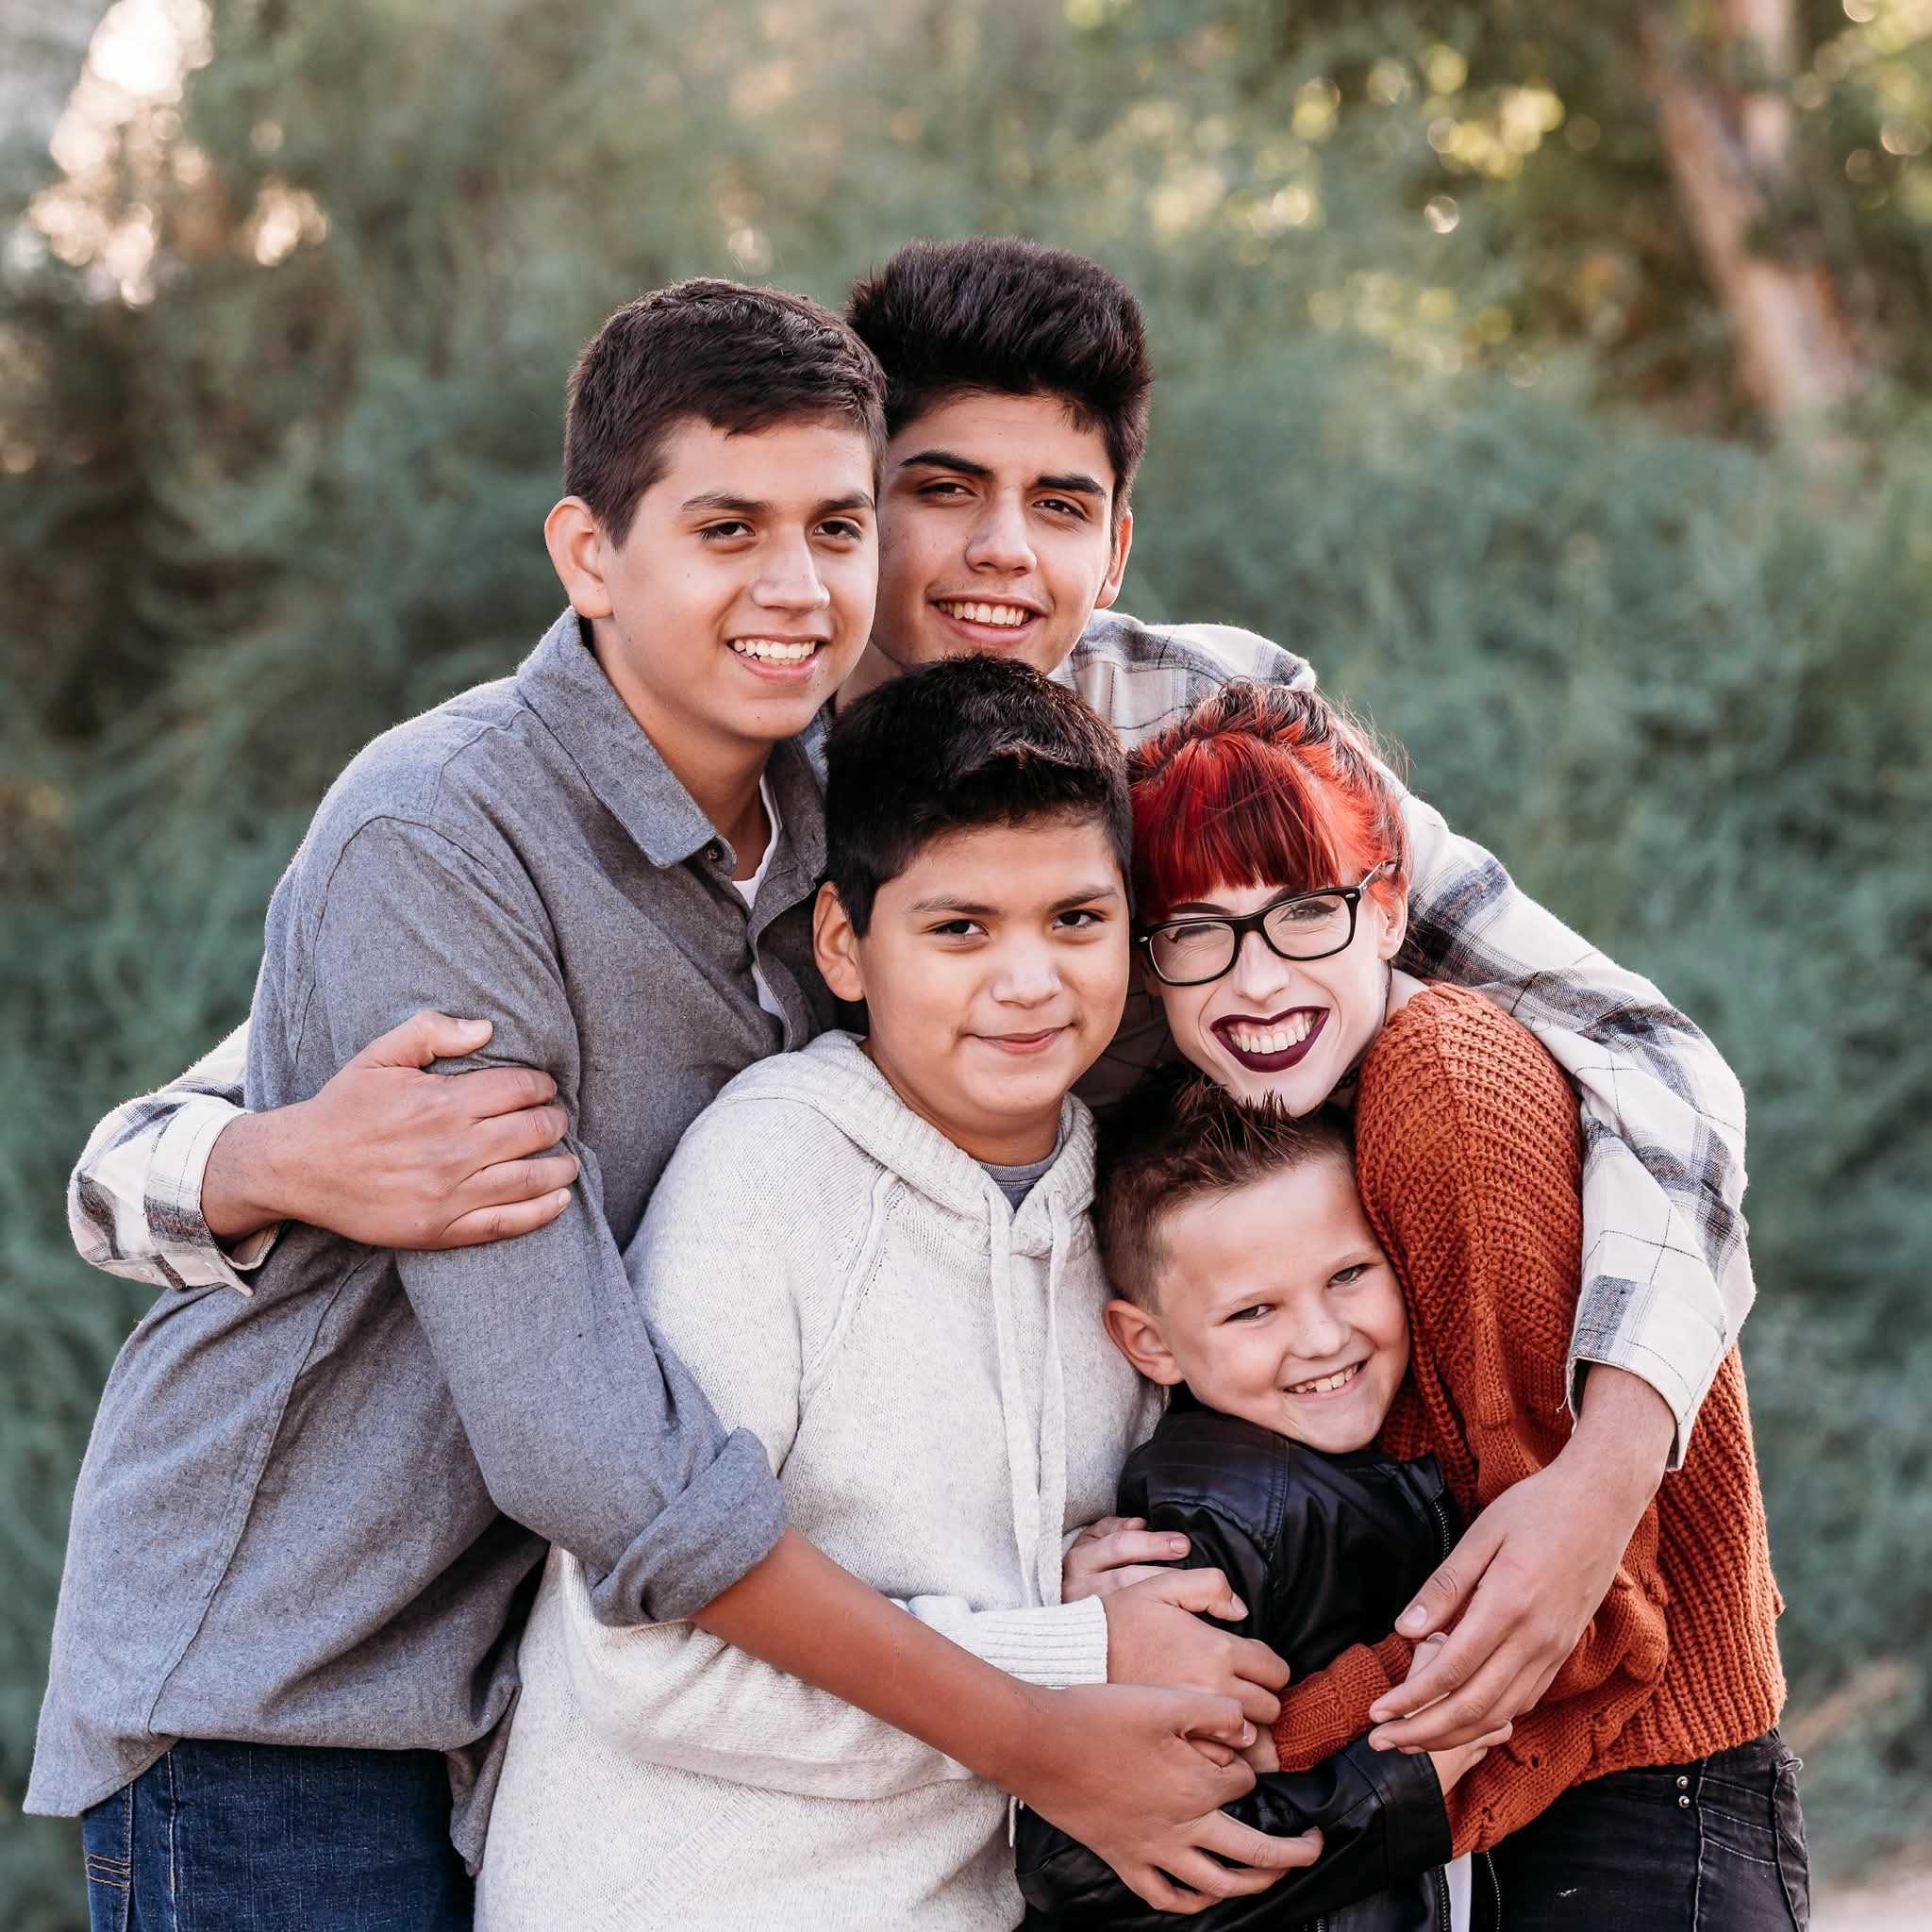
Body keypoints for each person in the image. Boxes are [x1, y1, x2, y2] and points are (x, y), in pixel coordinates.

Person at [71, 239, 1748, 1807]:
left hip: (1187, 1440)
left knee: (1475, 1073)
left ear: (1117, 540)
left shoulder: (1203, 724)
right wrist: (261, 1156)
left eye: (1056, 503)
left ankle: (1652, 1764)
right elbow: (168, 1142)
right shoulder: (727, 752)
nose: (998, 551)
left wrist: (1599, 1475)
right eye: (935, 493)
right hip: (601, 1582)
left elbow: (1638, 1052)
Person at [32, 281, 1300, 1932]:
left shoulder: (833, 822)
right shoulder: (439, 831)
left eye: (834, 526)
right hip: (285, 1683)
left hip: (511, 1688)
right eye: (724, 528)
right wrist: (1038, 1727)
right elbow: (592, 1454)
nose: (793, 586)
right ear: (588, 555)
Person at [483, 655, 1306, 1925]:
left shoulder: (1120, 1214)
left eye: (1076, 921)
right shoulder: (770, 1176)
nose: (1028, 981)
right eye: (960, 928)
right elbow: (647, 1666)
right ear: (843, 945)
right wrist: (1072, 1654)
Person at [1084, 678, 1803, 1930]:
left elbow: (1575, 1618)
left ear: (1389, 910)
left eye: (1303, 914)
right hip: (1534, 1800)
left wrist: (1251, 1742)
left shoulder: (1442, 1087)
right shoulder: (1309, 1131)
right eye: (1199, 931)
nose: (1254, 982)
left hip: (1646, 1807)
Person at [1018, 1086, 1501, 1931]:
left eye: (1348, 1275)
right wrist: (1401, 1787)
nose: (1321, 1337)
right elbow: (1085, 1874)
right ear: (1152, 1345)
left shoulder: (1378, 1458)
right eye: (1254, 1311)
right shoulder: (1216, 1528)